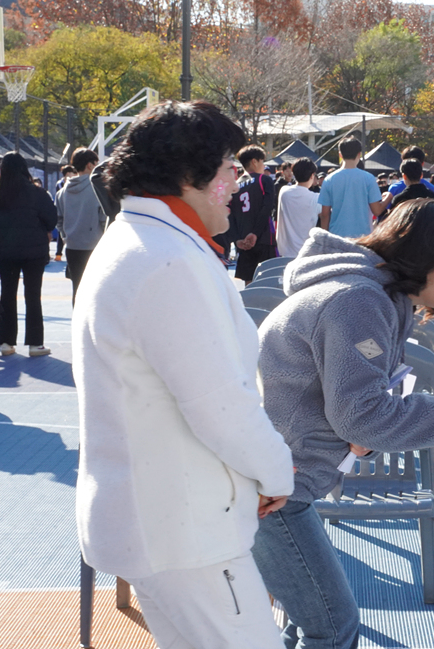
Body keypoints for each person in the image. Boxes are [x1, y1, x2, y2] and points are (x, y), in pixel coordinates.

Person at [73, 100, 294, 649]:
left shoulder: (140, 245)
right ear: (189, 178)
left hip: (165, 517)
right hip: (184, 527)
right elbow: (222, 406)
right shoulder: (168, 260)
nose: (237, 186)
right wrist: (275, 472)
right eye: (229, 171)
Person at [253, 199, 434, 649]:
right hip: (272, 493)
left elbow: (352, 411)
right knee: (331, 630)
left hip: (276, 484)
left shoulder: (366, 295)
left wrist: (365, 437)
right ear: (425, 255)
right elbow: (360, 415)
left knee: (308, 625)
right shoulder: (357, 301)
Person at [0, 152, 56, 357]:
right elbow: (51, 219)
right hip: (34, 250)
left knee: (7, 295)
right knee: (33, 295)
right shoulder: (37, 193)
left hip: (7, 252)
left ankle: (6, 342)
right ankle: (35, 344)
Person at [56, 148, 104, 302]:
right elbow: (103, 218)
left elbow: (59, 219)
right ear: (90, 165)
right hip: (94, 245)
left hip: (72, 246)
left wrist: (65, 236)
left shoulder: (62, 192)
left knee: (77, 289)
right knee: (96, 291)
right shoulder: (97, 189)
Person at [228, 145, 278, 283]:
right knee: (268, 279)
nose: (263, 165)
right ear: (255, 162)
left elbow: (230, 215)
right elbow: (267, 208)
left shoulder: (235, 186)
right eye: (262, 161)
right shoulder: (264, 180)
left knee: (249, 282)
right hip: (263, 239)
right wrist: (255, 233)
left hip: (244, 242)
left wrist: (237, 239)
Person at [319, 137, 384, 238]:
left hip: (337, 237)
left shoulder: (329, 180)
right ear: (359, 154)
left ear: (340, 154)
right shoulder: (369, 178)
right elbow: (377, 210)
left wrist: (324, 239)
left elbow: (325, 214)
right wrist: (389, 196)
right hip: (363, 237)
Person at [275, 157, 323, 258]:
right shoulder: (316, 198)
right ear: (311, 175)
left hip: (284, 253)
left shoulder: (284, 192)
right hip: (307, 252)